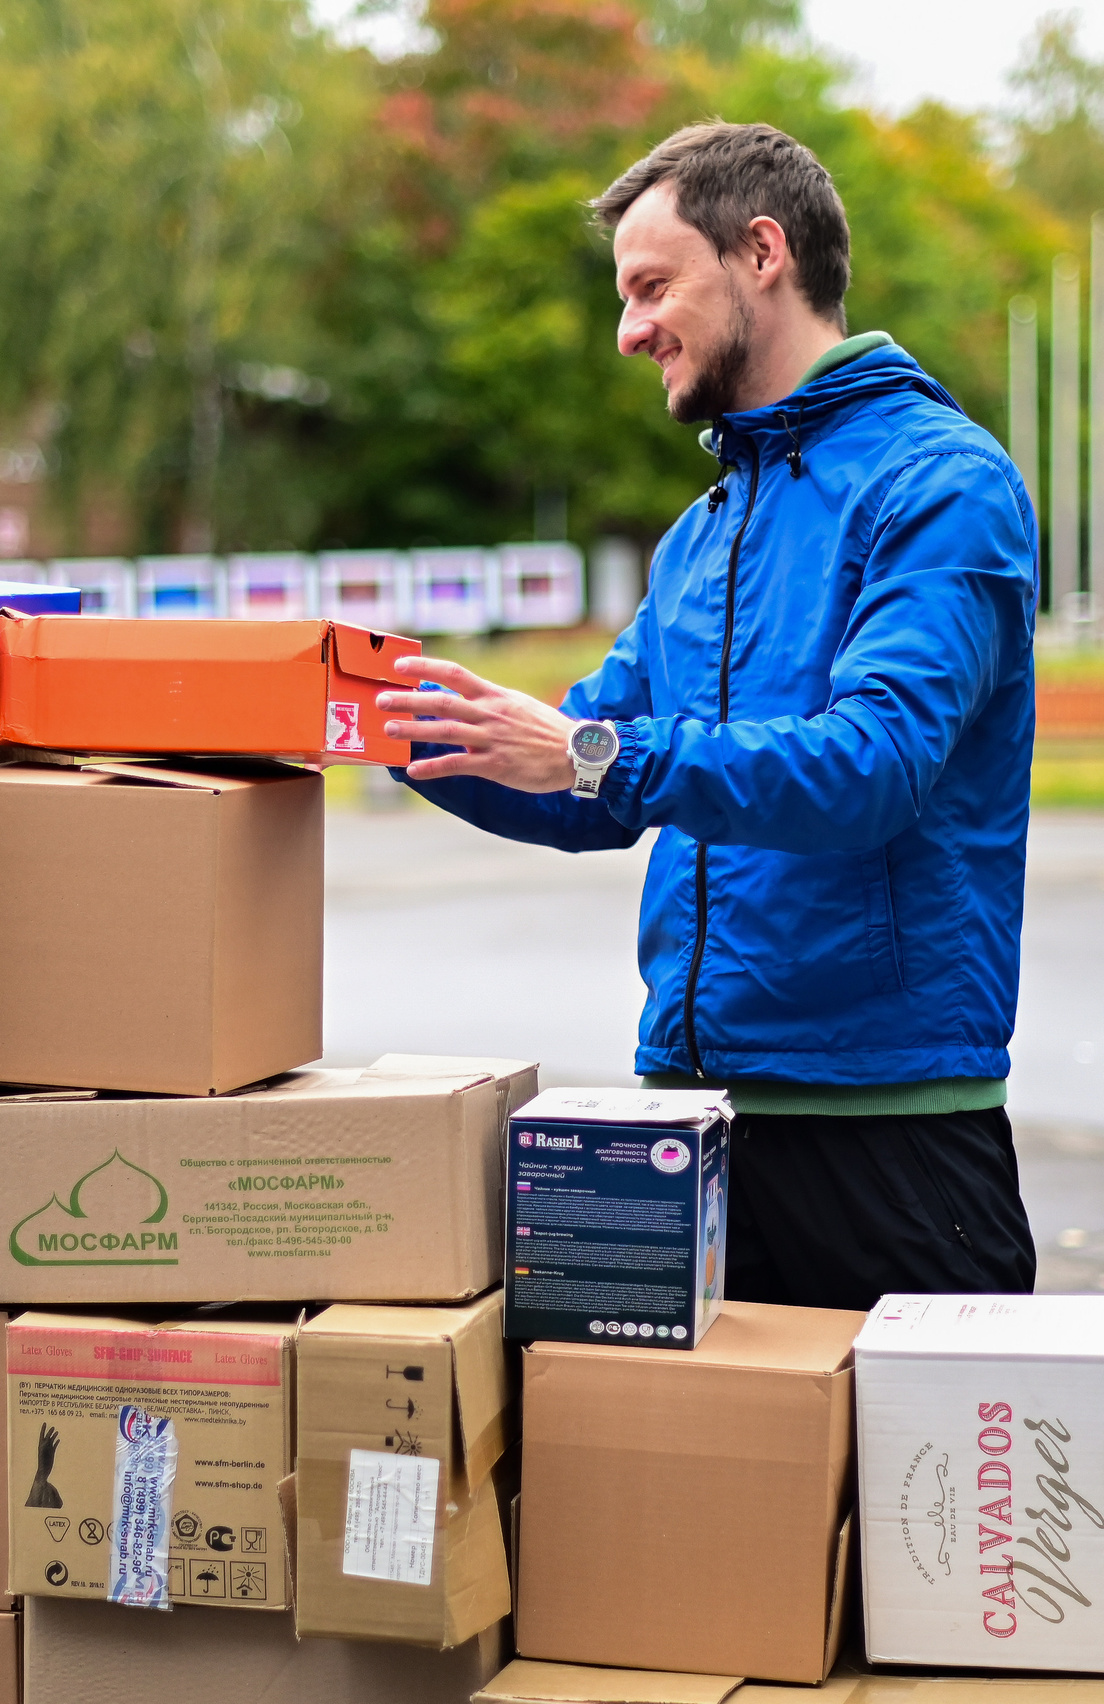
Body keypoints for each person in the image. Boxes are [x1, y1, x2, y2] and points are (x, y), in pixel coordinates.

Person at [372, 121, 1039, 1312]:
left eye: (650, 286)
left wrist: (589, 754)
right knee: (671, 1496)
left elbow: (873, 766)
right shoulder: (703, 532)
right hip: (684, 1122)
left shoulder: (941, 483)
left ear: (762, 252)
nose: (629, 330)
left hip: (885, 1138)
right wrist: (377, 722)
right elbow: (584, 780)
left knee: (908, 1507)